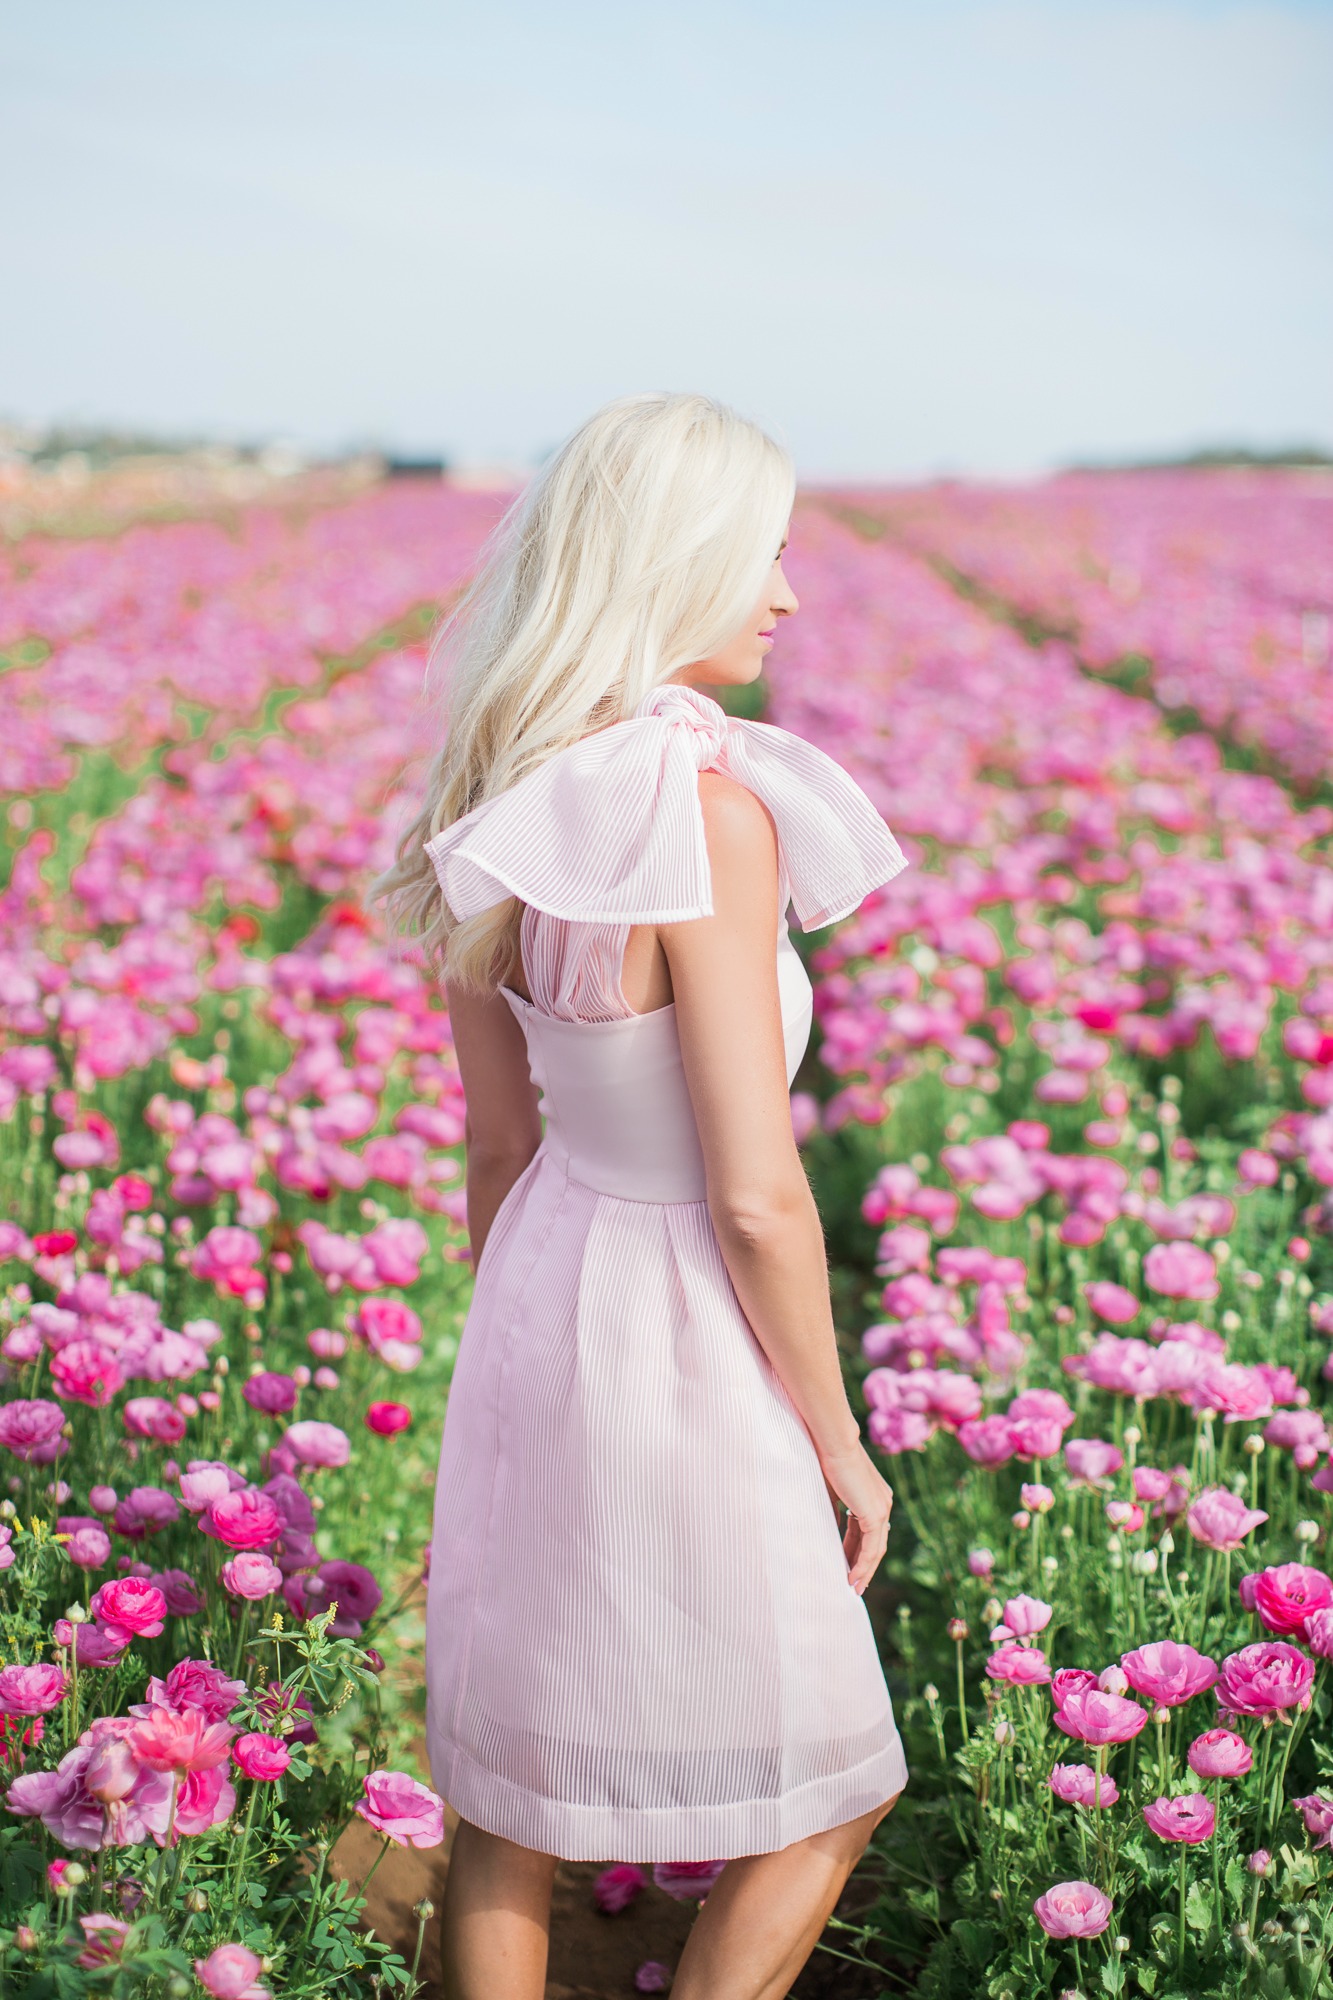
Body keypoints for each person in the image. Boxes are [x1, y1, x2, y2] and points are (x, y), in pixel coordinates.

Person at [373, 390, 910, 2000]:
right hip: (689, 1302)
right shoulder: (706, 809)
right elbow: (755, 1194)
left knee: (505, 1805)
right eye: (766, 553)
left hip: (546, 1277)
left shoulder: (488, 795)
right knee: (833, 1782)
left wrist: (522, 1352)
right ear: (677, 565)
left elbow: (494, 1146)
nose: (789, 592)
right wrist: (837, 1439)